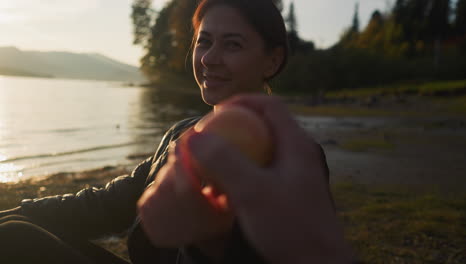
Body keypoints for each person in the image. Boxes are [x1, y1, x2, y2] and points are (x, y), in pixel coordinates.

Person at [0, 0, 350, 263]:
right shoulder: (182, 133)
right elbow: (107, 204)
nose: (210, 58)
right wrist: (22, 210)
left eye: (232, 45)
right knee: (15, 230)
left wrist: (208, 241)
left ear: (272, 61)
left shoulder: (289, 159)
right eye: (204, 41)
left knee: (14, 240)